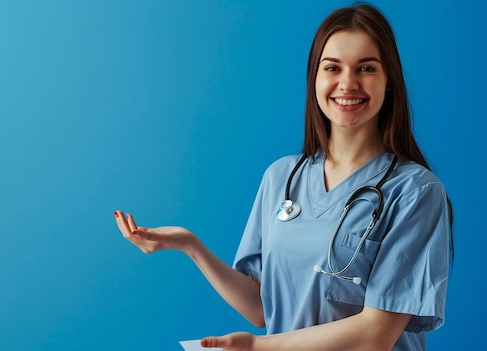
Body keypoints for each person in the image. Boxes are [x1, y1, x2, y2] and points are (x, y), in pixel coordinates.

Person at [114, 3, 453, 350]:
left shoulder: (415, 192)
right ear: (315, 79)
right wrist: (190, 246)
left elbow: (375, 335)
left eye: (366, 68)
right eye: (332, 68)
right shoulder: (281, 177)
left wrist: (258, 347)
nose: (348, 83)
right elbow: (263, 307)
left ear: (390, 81)